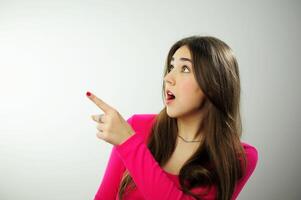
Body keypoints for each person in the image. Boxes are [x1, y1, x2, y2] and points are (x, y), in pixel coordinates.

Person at [91, 35, 258, 200]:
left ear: (214, 85)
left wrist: (129, 144)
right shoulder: (136, 127)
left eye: (185, 69)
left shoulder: (238, 158)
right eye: (171, 67)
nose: (168, 78)